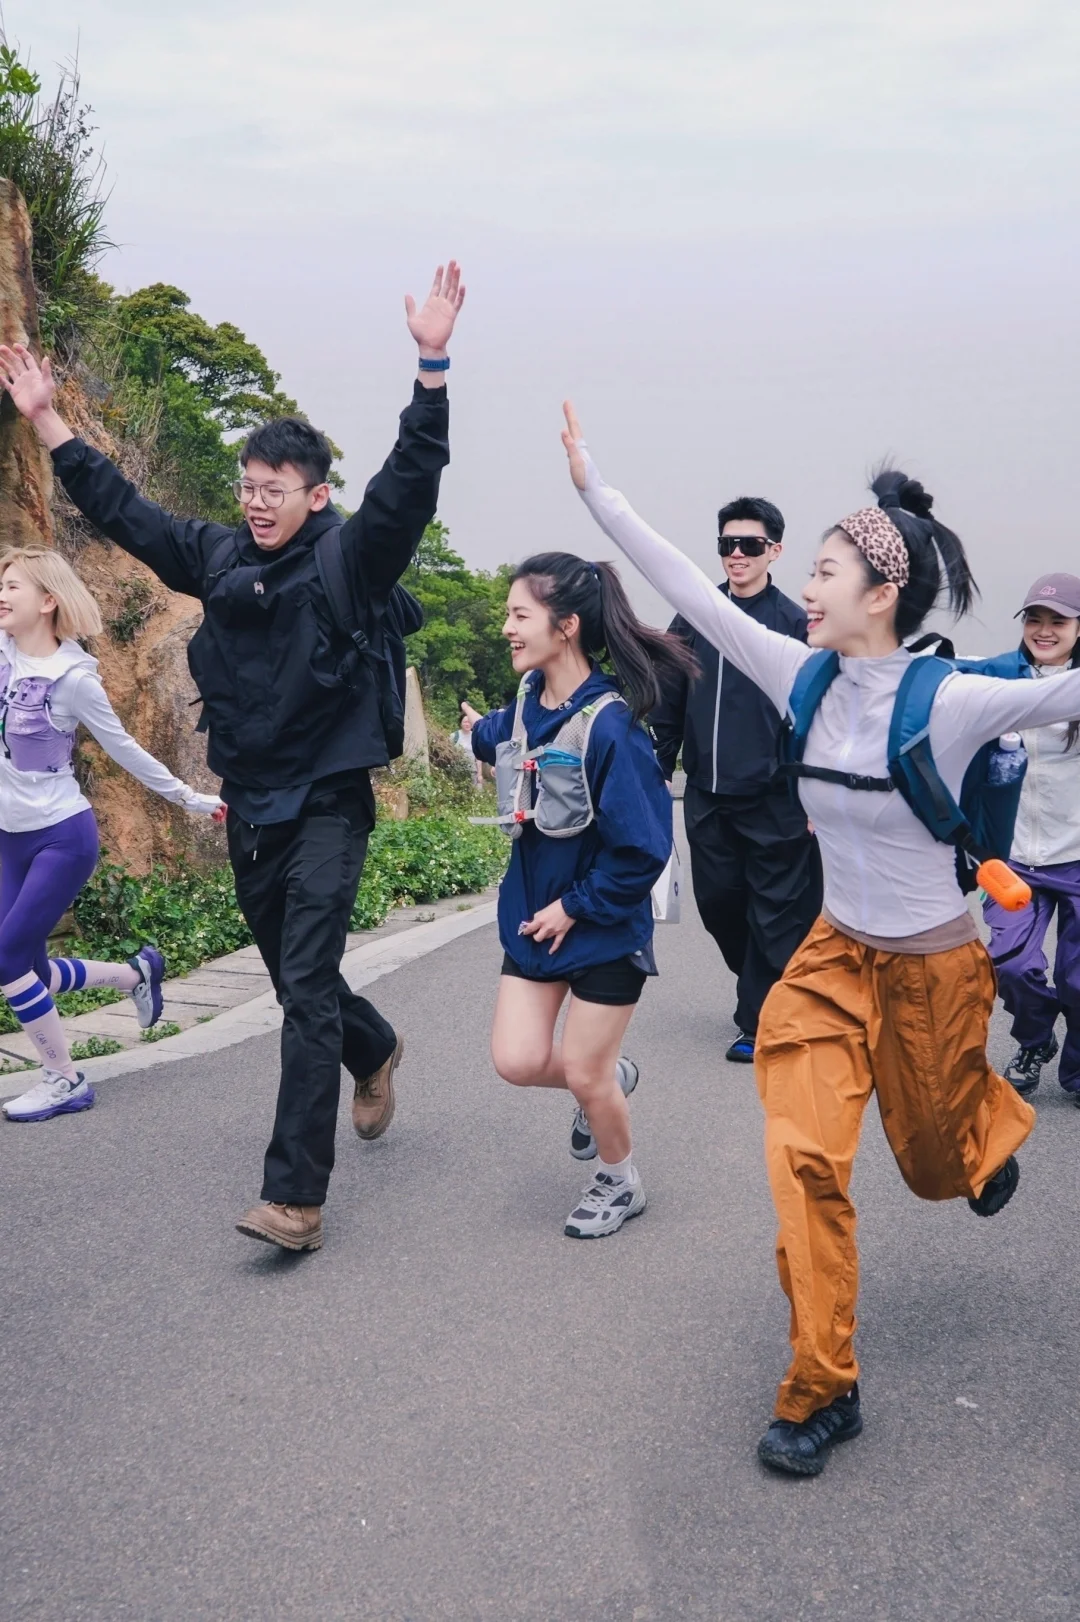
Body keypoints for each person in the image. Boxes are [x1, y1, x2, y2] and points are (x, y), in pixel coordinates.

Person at [561, 401, 1080, 1475]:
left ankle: (982, 1130)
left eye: (831, 567)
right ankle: (822, 1384)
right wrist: (594, 489)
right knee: (803, 1161)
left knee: (934, 1168)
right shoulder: (796, 670)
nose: (809, 581)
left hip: (936, 971)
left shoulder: (959, 699)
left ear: (882, 595)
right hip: (831, 959)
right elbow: (690, 583)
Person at [0, 261, 465, 1252]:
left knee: (302, 984)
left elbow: (410, 485)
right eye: (248, 488)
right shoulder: (217, 557)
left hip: (332, 801)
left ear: (315, 494)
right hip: (252, 802)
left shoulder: (349, 559)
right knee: (301, 978)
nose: (257, 504)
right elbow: (125, 511)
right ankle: (374, 1044)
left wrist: (431, 364)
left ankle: (294, 1196)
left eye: (275, 491)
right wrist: (47, 420)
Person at [459, 551, 693, 1238]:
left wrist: (576, 907)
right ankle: (607, 1076)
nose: (506, 626)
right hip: (534, 919)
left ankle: (620, 1182)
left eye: (518, 614)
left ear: (565, 626)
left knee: (586, 1077)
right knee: (519, 1060)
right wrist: (472, 730)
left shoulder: (613, 726)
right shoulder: (530, 705)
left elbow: (645, 850)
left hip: (603, 927)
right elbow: (498, 740)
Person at [0, 548, 220, 1123]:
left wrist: (191, 797)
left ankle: (65, 1078)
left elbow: (125, 749)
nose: (1, 593)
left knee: (5, 956)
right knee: (30, 966)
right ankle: (135, 974)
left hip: (60, 838)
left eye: (12, 585)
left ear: (48, 601)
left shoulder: (74, 680)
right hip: (8, 837)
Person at [651, 495, 821, 1063]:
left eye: (750, 544)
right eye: (728, 544)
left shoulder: (796, 624)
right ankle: (766, 982)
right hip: (706, 793)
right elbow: (669, 693)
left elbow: (820, 710)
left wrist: (816, 789)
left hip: (777, 797)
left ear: (774, 550)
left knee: (776, 909)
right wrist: (660, 761)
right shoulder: (697, 615)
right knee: (721, 903)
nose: (737, 554)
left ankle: (759, 1019)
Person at [984, 573, 1080, 1104]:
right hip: (1013, 857)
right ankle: (1035, 1039)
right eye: (1035, 619)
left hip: (1077, 854)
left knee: (1079, 979)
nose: (1044, 631)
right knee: (1011, 965)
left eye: (1058, 621)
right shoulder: (999, 678)